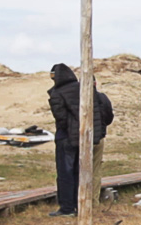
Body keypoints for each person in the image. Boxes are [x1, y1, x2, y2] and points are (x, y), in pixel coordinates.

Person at [48, 64, 114, 217]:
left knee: (65, 173)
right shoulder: (85, 88)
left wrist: (69, 129)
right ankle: (81, 204)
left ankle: (67, 208)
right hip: (86, 137)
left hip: (66, 138)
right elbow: (100, 112)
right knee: (81, 172)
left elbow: (60, 118)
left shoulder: (58, 92)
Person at [93, 78, 114, 208]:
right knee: (95, 170)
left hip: (83, 139)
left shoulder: (78, 98)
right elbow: (109, 117)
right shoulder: (102, 97)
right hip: (99, 137)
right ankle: (93, 201)